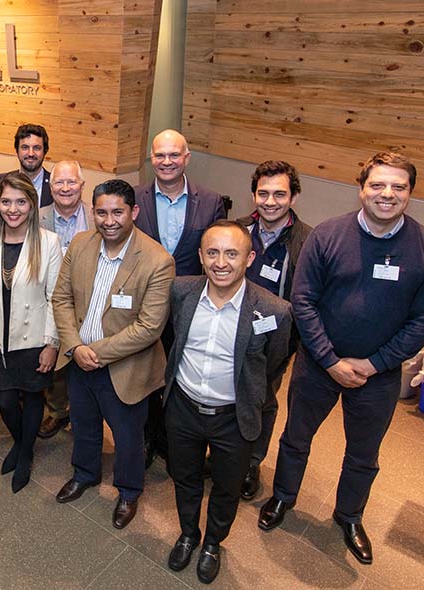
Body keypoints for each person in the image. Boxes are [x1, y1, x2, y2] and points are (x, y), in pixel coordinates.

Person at [259, 152, 424, 566]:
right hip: (318, 366)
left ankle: (349, 517)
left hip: (380, 376)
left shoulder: (421, 247)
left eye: (397, 187)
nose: (386, 194)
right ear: (361, 188)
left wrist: (375, 363)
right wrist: (331, 360)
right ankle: (282, 498)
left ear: (410, 192)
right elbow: (304, 300)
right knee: (296, 438)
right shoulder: (329, 235)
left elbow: (422, 320)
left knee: (363, 454)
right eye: (377, 185)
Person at [163, 220, 292, 584]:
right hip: (184, 408)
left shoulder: (274, 311)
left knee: (226, 487)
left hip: (234, 418)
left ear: (249, 258)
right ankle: (189, 534)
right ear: (201, 257)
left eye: (232, 253)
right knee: (185, 478)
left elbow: (275, 362)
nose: (222, 262)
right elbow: (171, 338)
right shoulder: (181, 292)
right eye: (213, 252)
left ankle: (212, 543)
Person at [52, 179, 174, 529]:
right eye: (101, 212)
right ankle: (85, 473)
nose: (109, 220)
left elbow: (149, 328)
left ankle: (129, 491)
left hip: (126, 368)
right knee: (84, 426)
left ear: (133, 212)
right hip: (78, 360)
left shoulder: (157, 261)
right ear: (93, 212)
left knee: (128, 438)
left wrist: (95, 353)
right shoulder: (80, 244)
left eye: (117, 212)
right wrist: (76, 347)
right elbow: (61, 299)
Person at [134, 129, 227, 469]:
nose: (167, 161)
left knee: (179, 377)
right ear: (152, 158)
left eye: (174, 155)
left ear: (187, 158)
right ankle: (146, 438)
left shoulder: (211, 200)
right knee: (144, 376)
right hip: (143, 306)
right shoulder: (135, 197)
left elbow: (215, 255)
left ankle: (173, 444)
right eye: (160, 155)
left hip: (189, 307)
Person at [0, 172, 62, 492]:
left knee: (33, 396)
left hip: (34, 338)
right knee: (5, 400)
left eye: (21, 202)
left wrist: (52, 343)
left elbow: (55, 298)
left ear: (32, 204)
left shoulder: (48, 242)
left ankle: (24, 453)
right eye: (6, 201)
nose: (13, 209)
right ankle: (23, 443)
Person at [234, 160, 312, 500]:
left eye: (279, 194)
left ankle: (251, 463)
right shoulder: (235, 230)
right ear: (253, 194)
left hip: (273, 340)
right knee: (227, 394)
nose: (270, 201)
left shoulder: (309, 241)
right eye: (263, 193)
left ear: (293, 197)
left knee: (261, 400)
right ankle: (226, 456)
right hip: (228, 330)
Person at [36, 160, 94, 438]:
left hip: (89, 300)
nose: (66, 188)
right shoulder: (36, 217)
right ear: (50, 186)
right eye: (59, 182)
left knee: (84, 357)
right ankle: (57, 410)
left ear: (82, 186)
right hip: (48, 299)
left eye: (72, 182)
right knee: (55, 358)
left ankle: (82, 413)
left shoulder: (97, 217)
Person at [0, 124, 53, 207]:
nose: (31, 153)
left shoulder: (55, 184)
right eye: (25, 147)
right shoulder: (2, 180)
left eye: (37, 148)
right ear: (17, 150)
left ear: (45, 151)